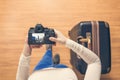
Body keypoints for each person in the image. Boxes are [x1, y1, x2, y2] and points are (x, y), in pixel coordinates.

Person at [16, 29, 101, 80]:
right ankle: (55, 60)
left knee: (46, 56)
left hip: (41, 69)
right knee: (50, 59)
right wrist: (66, 42)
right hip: (63, 69)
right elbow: (94, 62)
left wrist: (26, 53)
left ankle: (49, 50)